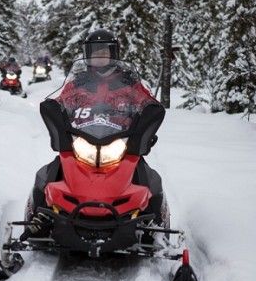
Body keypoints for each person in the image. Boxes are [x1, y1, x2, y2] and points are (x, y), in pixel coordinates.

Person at [24, 29, 169, 238]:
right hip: (81, 140)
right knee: (49, 173)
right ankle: (38, 222)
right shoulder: (78, 84)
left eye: (104, 52)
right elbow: (59, 102)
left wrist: (148, 115)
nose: (99, 57)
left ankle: (154, 228)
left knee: (148, 177)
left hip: (121, 143)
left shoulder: (130, 85)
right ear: (87, 55)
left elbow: (148, 103)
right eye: (95, 53)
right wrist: (54, 110)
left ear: (113, 54)